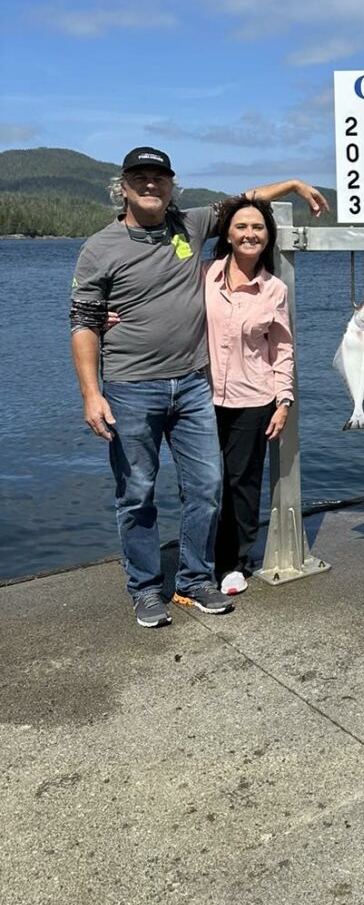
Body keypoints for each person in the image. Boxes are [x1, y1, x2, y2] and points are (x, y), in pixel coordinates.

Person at [69, 146, 327, 628]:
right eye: (140, 178)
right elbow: (83, 321)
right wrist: (91, 392)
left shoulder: (188, 225)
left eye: (160, 178)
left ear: (172, 186)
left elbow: (245, 201)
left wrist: (291, 184)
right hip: (130, 387)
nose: (151, 185)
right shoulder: (99, 247)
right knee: (137, 491)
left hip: (191, 385)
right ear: (122, 187)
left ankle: (194, 579)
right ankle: (146, 588)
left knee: (207, 487)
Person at [205, 195, 294, 597]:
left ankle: (233, 563)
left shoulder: (273, 289)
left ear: (268, 237)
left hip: (252, 399)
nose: (250, 234)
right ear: (227, 233)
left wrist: (283, 399)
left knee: (242, 484)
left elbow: (282, 348)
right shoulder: (203, 275)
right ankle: (200, 556)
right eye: (241, 226)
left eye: (258, 228)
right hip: (198, 399)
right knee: (204, 483)